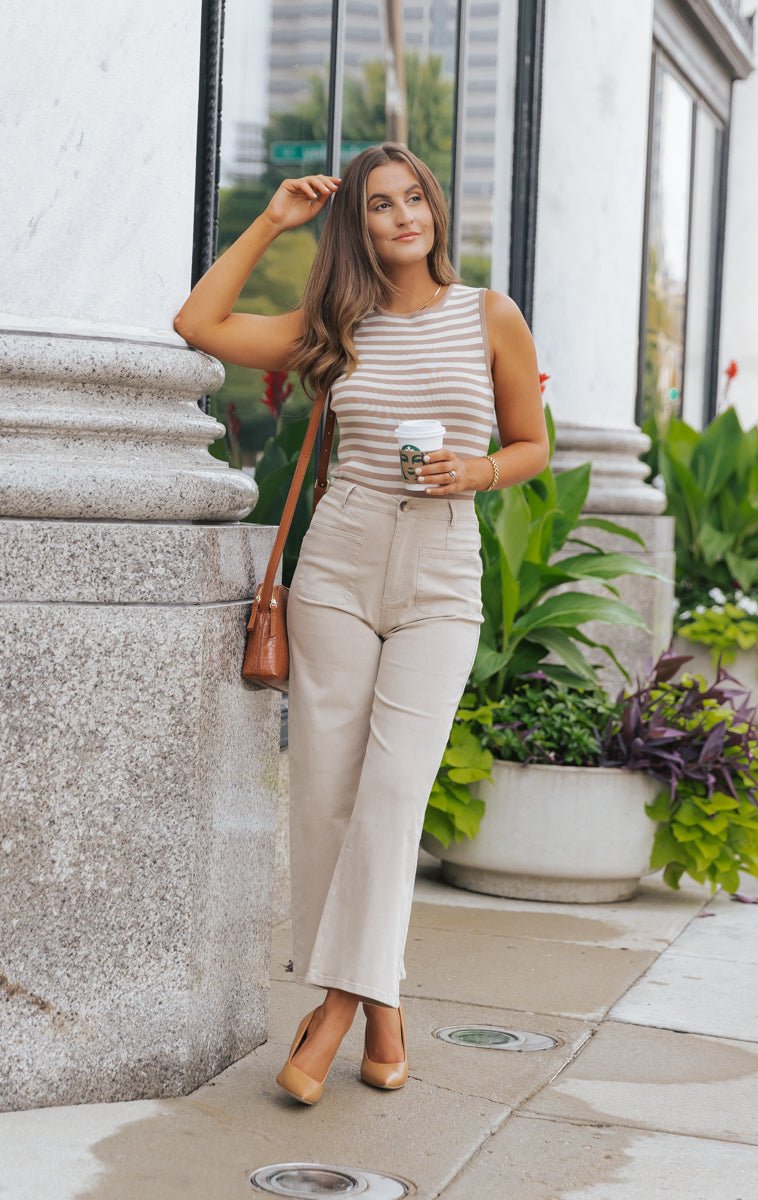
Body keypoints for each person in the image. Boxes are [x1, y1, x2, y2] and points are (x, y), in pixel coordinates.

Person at [173, 142, 549, 1105]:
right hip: (337, 564)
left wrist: (477, 472)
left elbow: (532, 442)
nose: (401, 217)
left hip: (441, 570)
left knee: (391, 795)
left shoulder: (488, 315)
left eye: (414, 197)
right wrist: (272, 220)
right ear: (360, 225)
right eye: (380, 205)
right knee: (326, 799)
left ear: (434, 207)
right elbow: (198, 324)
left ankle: (332, 1012)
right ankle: (383, 1012)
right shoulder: (336, 326)